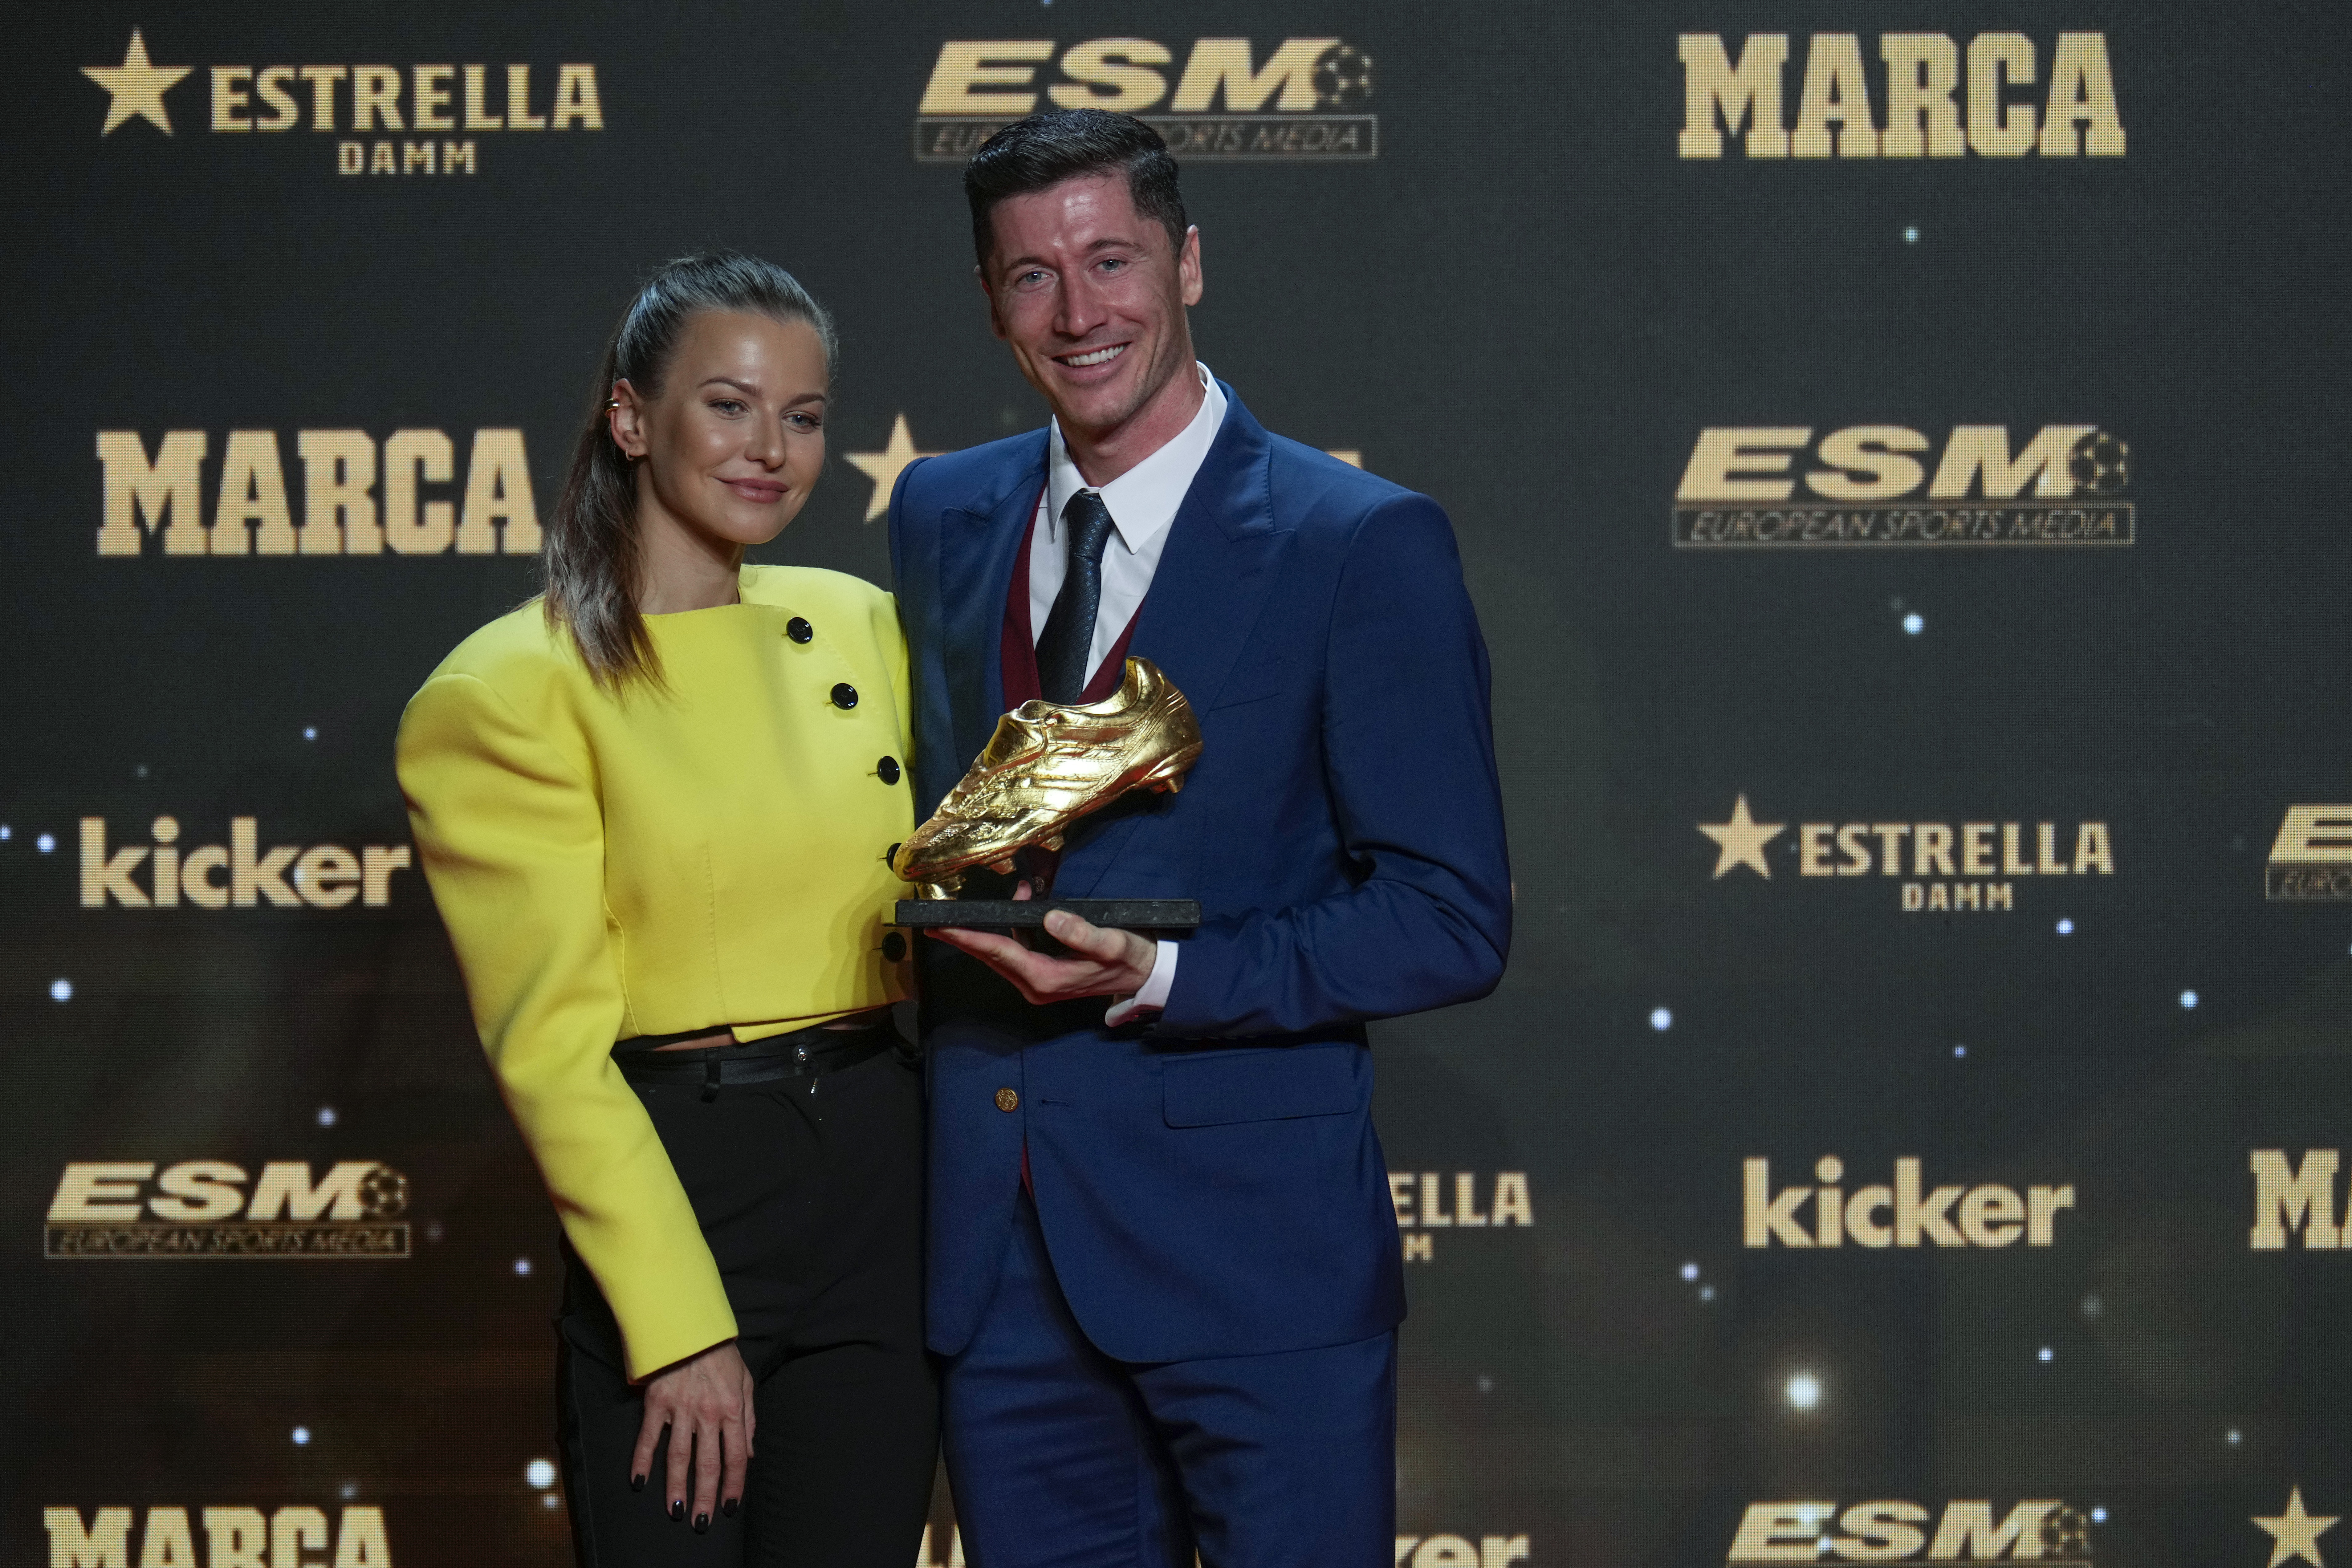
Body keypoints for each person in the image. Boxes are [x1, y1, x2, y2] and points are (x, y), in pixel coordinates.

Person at [887, 111, 1512, 1567]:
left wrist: (1163, 977)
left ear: (1188, 263)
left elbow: (1447, 915)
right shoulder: (936, 511)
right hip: (1000, 1263)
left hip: (1258, 1270)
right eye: (1031, 275)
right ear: (991, 301)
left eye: (1112, 260)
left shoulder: (1359, 541)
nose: (1079, 310)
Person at [397, 253, 935, 1566]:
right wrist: (678, 1319)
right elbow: (553, 1053)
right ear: (632, 420)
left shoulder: (862, 623)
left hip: (884, 1169)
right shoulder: (509, 687)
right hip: (688, 1183)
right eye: (729, 406)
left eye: (804, 417)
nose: (772, 450)